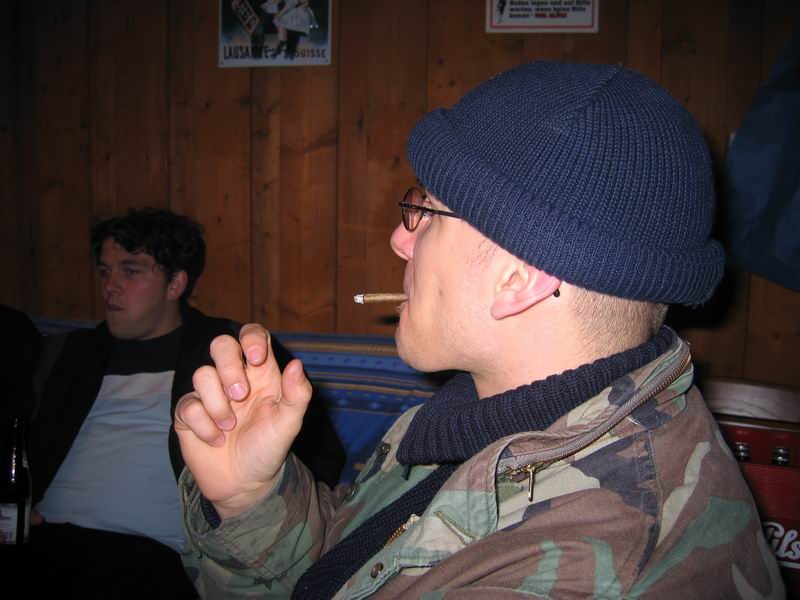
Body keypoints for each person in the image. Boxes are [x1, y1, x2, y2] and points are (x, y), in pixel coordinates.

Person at [175, 61, 785, 598]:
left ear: (518, 278)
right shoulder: (492, 415)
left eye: (426, 211)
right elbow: (353, 570)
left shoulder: (585, 562)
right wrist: (249, 500)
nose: (399, 238)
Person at [23, 208, 345, 599]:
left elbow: (319, 453)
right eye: (105, 272)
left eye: (130, 271)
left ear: (175, 283)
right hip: (40, 542)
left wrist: (246, 506)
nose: (109, 287)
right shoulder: (65, 354)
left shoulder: (231, 351)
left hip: (152, 559)